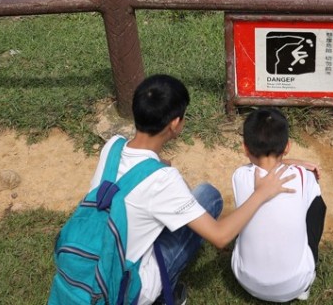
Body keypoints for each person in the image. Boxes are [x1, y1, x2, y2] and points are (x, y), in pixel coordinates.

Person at [90, 74, 295, 305]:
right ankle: (160, 297)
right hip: (123, 286)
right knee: (210, 199)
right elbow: (220, 236)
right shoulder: (163, 180)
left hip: (91, 262)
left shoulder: (112, 146)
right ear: (175, 124)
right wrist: (261, 193)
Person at [231, 107, 327, 303]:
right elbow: (314, 203)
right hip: (294, 284)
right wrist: (296, 163)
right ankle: (306, 282)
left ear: (245, 148)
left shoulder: (239, 176)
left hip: (246, 281)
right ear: (288, 146)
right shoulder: (303, 176)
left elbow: (258, 167)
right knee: (317, 205)